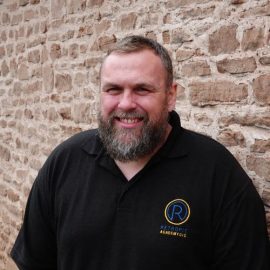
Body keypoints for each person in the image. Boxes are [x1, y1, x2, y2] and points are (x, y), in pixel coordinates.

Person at [11, 35, 270, 270]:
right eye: (113, 89)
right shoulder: (65, 162)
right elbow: (35, 262)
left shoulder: (218, 175)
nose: (125, 103)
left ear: (170, 96)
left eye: (142, 89)